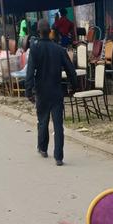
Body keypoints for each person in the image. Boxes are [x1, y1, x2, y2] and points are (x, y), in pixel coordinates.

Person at [25, 19, 77, 166]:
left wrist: (28, 91)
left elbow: (30, 71)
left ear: (39, 32)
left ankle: (42, 148)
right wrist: (73, 87)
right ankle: (58, 157)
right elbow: (70, 70)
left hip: (41, 91)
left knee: (43, 120)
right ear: (51, 32)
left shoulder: (34, 49)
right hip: (56, 91)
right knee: (58, 125)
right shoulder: (59, 49)